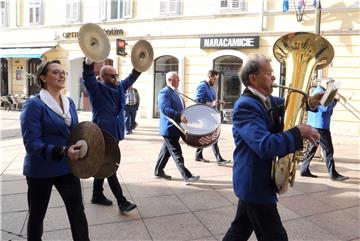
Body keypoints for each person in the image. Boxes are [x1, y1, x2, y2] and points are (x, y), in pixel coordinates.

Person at [223, 54, 322, 241]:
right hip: (255, 182)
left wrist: (310, 102)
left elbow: (288, 105)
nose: (274, 78)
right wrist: (297, 133)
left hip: (255, 181)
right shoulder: (246, 106)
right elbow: (264, 145)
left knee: (239, 230)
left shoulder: (267, 99)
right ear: (253, 78)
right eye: (269, 73)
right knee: (275, 237)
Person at [20, 60, 90, 241]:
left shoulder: (70, 102)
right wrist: (62, 150)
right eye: (56, 72)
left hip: (67, 167)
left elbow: (73, 132)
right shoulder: (34, 104)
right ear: (43, 78)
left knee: (77, 211)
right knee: (37, 215)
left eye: (63, 73)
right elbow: (31, 144)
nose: (62, 75)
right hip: (41, 169)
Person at [83, 61, 138, 214]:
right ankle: (122, 201)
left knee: (102, 165)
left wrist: (138, 69)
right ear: (103, 77)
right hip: (102, 134)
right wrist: (88, 64)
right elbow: (88, 78)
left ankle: (97, 194)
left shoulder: (119, 86)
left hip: (116, 132)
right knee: (110, 165)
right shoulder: (97, 88)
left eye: (117, 75)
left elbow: (130, 79)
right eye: (113, 75)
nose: (116, 78)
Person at [154, 71, 200, 184]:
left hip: (176, 127)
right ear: (170, 80)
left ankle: (158, 171)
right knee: (176, 153)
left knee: (166, 151)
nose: (179, 80)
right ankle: (187, 176)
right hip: (169, 128)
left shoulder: (176, 92)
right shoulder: (164, 92)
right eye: (177, 79)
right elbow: (165, 109)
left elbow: (181, 109)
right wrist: (179, 116)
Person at [300, 78, 349, 181]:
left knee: (312, 148)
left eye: (331, 83)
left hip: (316, 124)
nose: (330, 84)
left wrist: (334, 99)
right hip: (320, 126)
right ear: (323, 83)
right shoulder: (320, 92)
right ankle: (333, 175)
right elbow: (325, 108)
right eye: (329, 83)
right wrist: (335, 100)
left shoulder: (321, 91)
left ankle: (304, 170)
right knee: (328, 150)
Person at [194, 70, 231, 165]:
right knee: (214, 135)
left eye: (216, 79)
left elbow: (212, 100)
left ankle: (198, 155)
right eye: (214, 79)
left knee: (206, 135)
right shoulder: (202, 86)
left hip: (210, 114)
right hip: (205, 115)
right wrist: (211, 103)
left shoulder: (210, 87)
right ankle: (219, 159)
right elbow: (197, 100)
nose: (215, 81)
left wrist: (218, 102)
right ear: (209, 76)